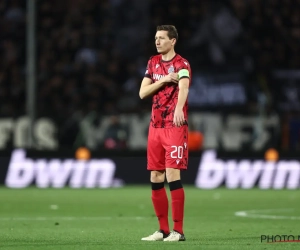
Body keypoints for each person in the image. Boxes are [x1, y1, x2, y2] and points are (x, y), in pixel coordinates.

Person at [139, 25, 191, 242]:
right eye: (155, 38)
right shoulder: (152, 62)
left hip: (174, 127)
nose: (157, 41)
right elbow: (143, 93)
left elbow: (185, 86)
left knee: (172, 174)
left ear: (173, 41)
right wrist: (162, 80)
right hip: (155, 127)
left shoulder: (182, 64)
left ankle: (178, 231)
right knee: (155, 175)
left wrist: (179, 107)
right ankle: (163, 230)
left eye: (161, 38)